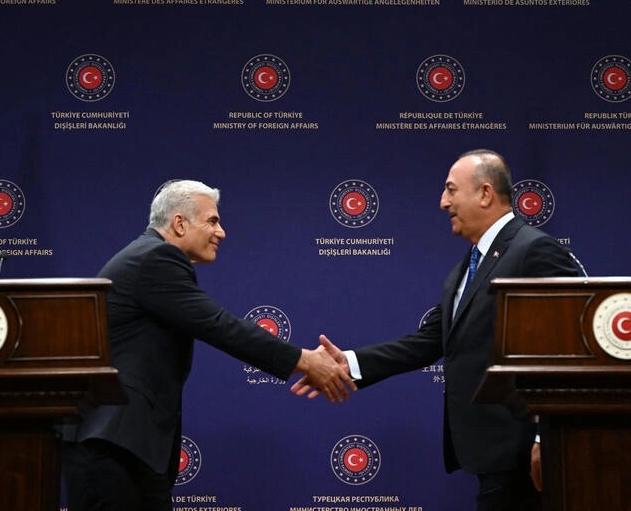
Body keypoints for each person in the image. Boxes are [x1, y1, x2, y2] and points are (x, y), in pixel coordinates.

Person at [295, 149, 582, 511]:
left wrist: (547, 436)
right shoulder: (468, 267)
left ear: (485, 193)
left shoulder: (535, 250)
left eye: (451, 190)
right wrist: (349, 364)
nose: (443, 202)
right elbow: (429, 341)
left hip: (525, 454)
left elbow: (569, 349)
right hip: (494, 456)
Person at [62, 179, 355, 511]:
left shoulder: (148, 257)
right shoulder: (156, 258)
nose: (222, 232)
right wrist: (304, 360)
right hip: (112, 445)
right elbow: (219, 325)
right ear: (179, 223)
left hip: (125, 447)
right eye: (212, 221)